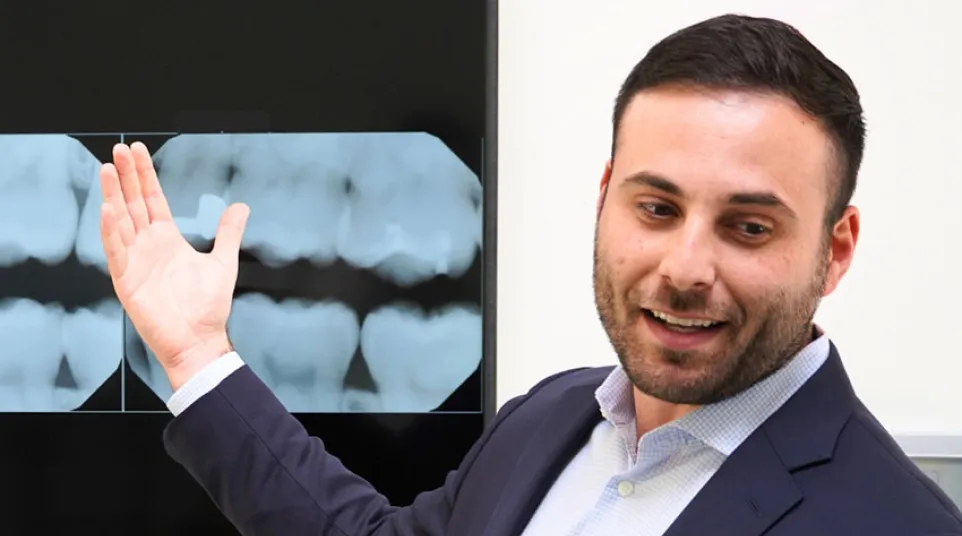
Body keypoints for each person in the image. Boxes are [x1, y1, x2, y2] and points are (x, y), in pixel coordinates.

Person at [97, 13, 962, 536]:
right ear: (605, 197)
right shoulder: (550, 417)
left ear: (836, 249)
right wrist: (197, 353)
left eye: (748, 226)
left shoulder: (893, 522)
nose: (686, 267)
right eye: (655, 208)